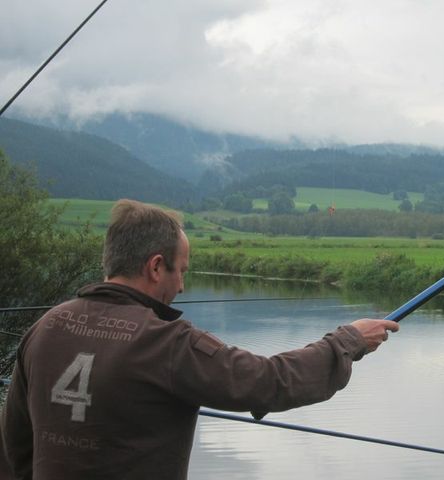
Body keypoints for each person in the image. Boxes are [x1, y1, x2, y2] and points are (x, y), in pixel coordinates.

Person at [1, 199, 399, 479]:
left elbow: (14, 443)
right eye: (182, 271)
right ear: (156, 266)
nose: (182, 286)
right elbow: (268, 382)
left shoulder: (47, 327)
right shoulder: (166, 343)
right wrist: (347, 341)